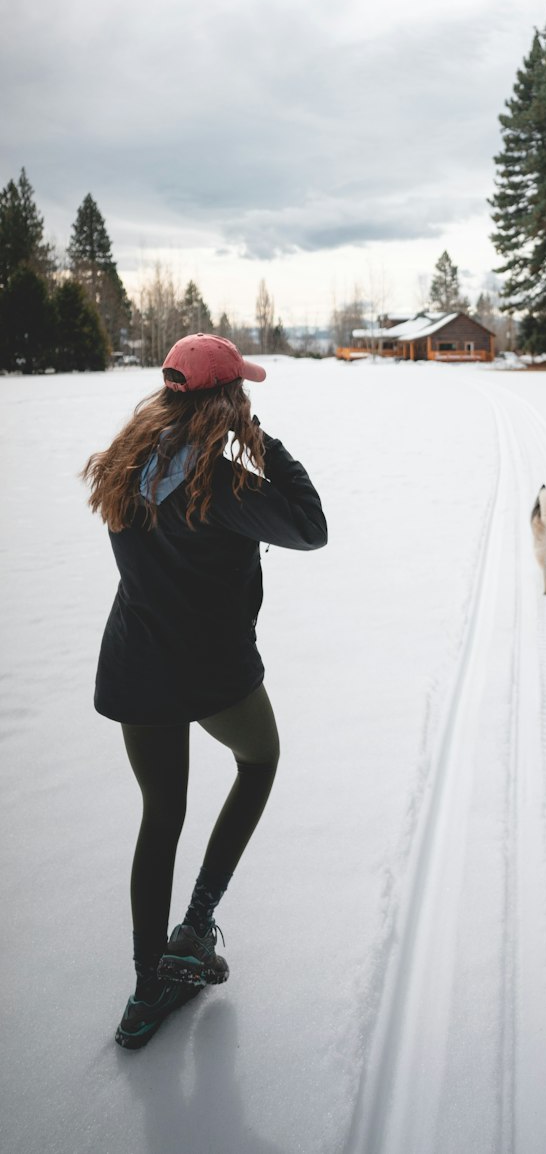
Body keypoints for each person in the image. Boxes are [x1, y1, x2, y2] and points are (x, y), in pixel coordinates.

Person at [83, 333, 327, 1049]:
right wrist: (265, 446)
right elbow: (311, 527)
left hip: (137, 664)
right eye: (241, 394)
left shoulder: (129, 464)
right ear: (225, 400)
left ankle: (147, 985)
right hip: (212, 670)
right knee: (260, 760)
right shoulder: (221, 483)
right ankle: (194, 927)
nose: (247, 401)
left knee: (162, 814)